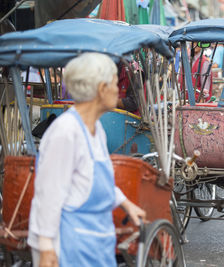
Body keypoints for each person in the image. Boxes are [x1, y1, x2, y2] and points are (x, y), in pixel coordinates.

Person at [28, 53, 146, 267]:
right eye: (113, 83)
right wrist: (45, 248)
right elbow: (47, 196)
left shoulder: (96, 129)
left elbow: (96, 181)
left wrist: (127, 205)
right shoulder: (65, 132)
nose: (117, 90)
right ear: (101, 89)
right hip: (69, 247)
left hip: (97, 245)